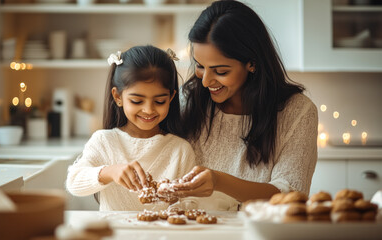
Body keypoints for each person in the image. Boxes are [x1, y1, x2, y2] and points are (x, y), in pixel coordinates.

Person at [172, 0, 318, 209]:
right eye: (200, 66)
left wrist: (219, 182)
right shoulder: (187, 102)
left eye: (221, 71)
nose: (205, 81)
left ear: (252, 63)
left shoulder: (297, 112)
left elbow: (291, 193)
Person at [66, 45, 196, 211]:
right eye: (137, 101)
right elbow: (74, 182)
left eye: (159, 101)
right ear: (118, 96)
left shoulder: (180, 149)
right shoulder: (105, 141)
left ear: (170, 97)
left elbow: (190, 203)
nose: (149, 110)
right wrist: (110, 172)